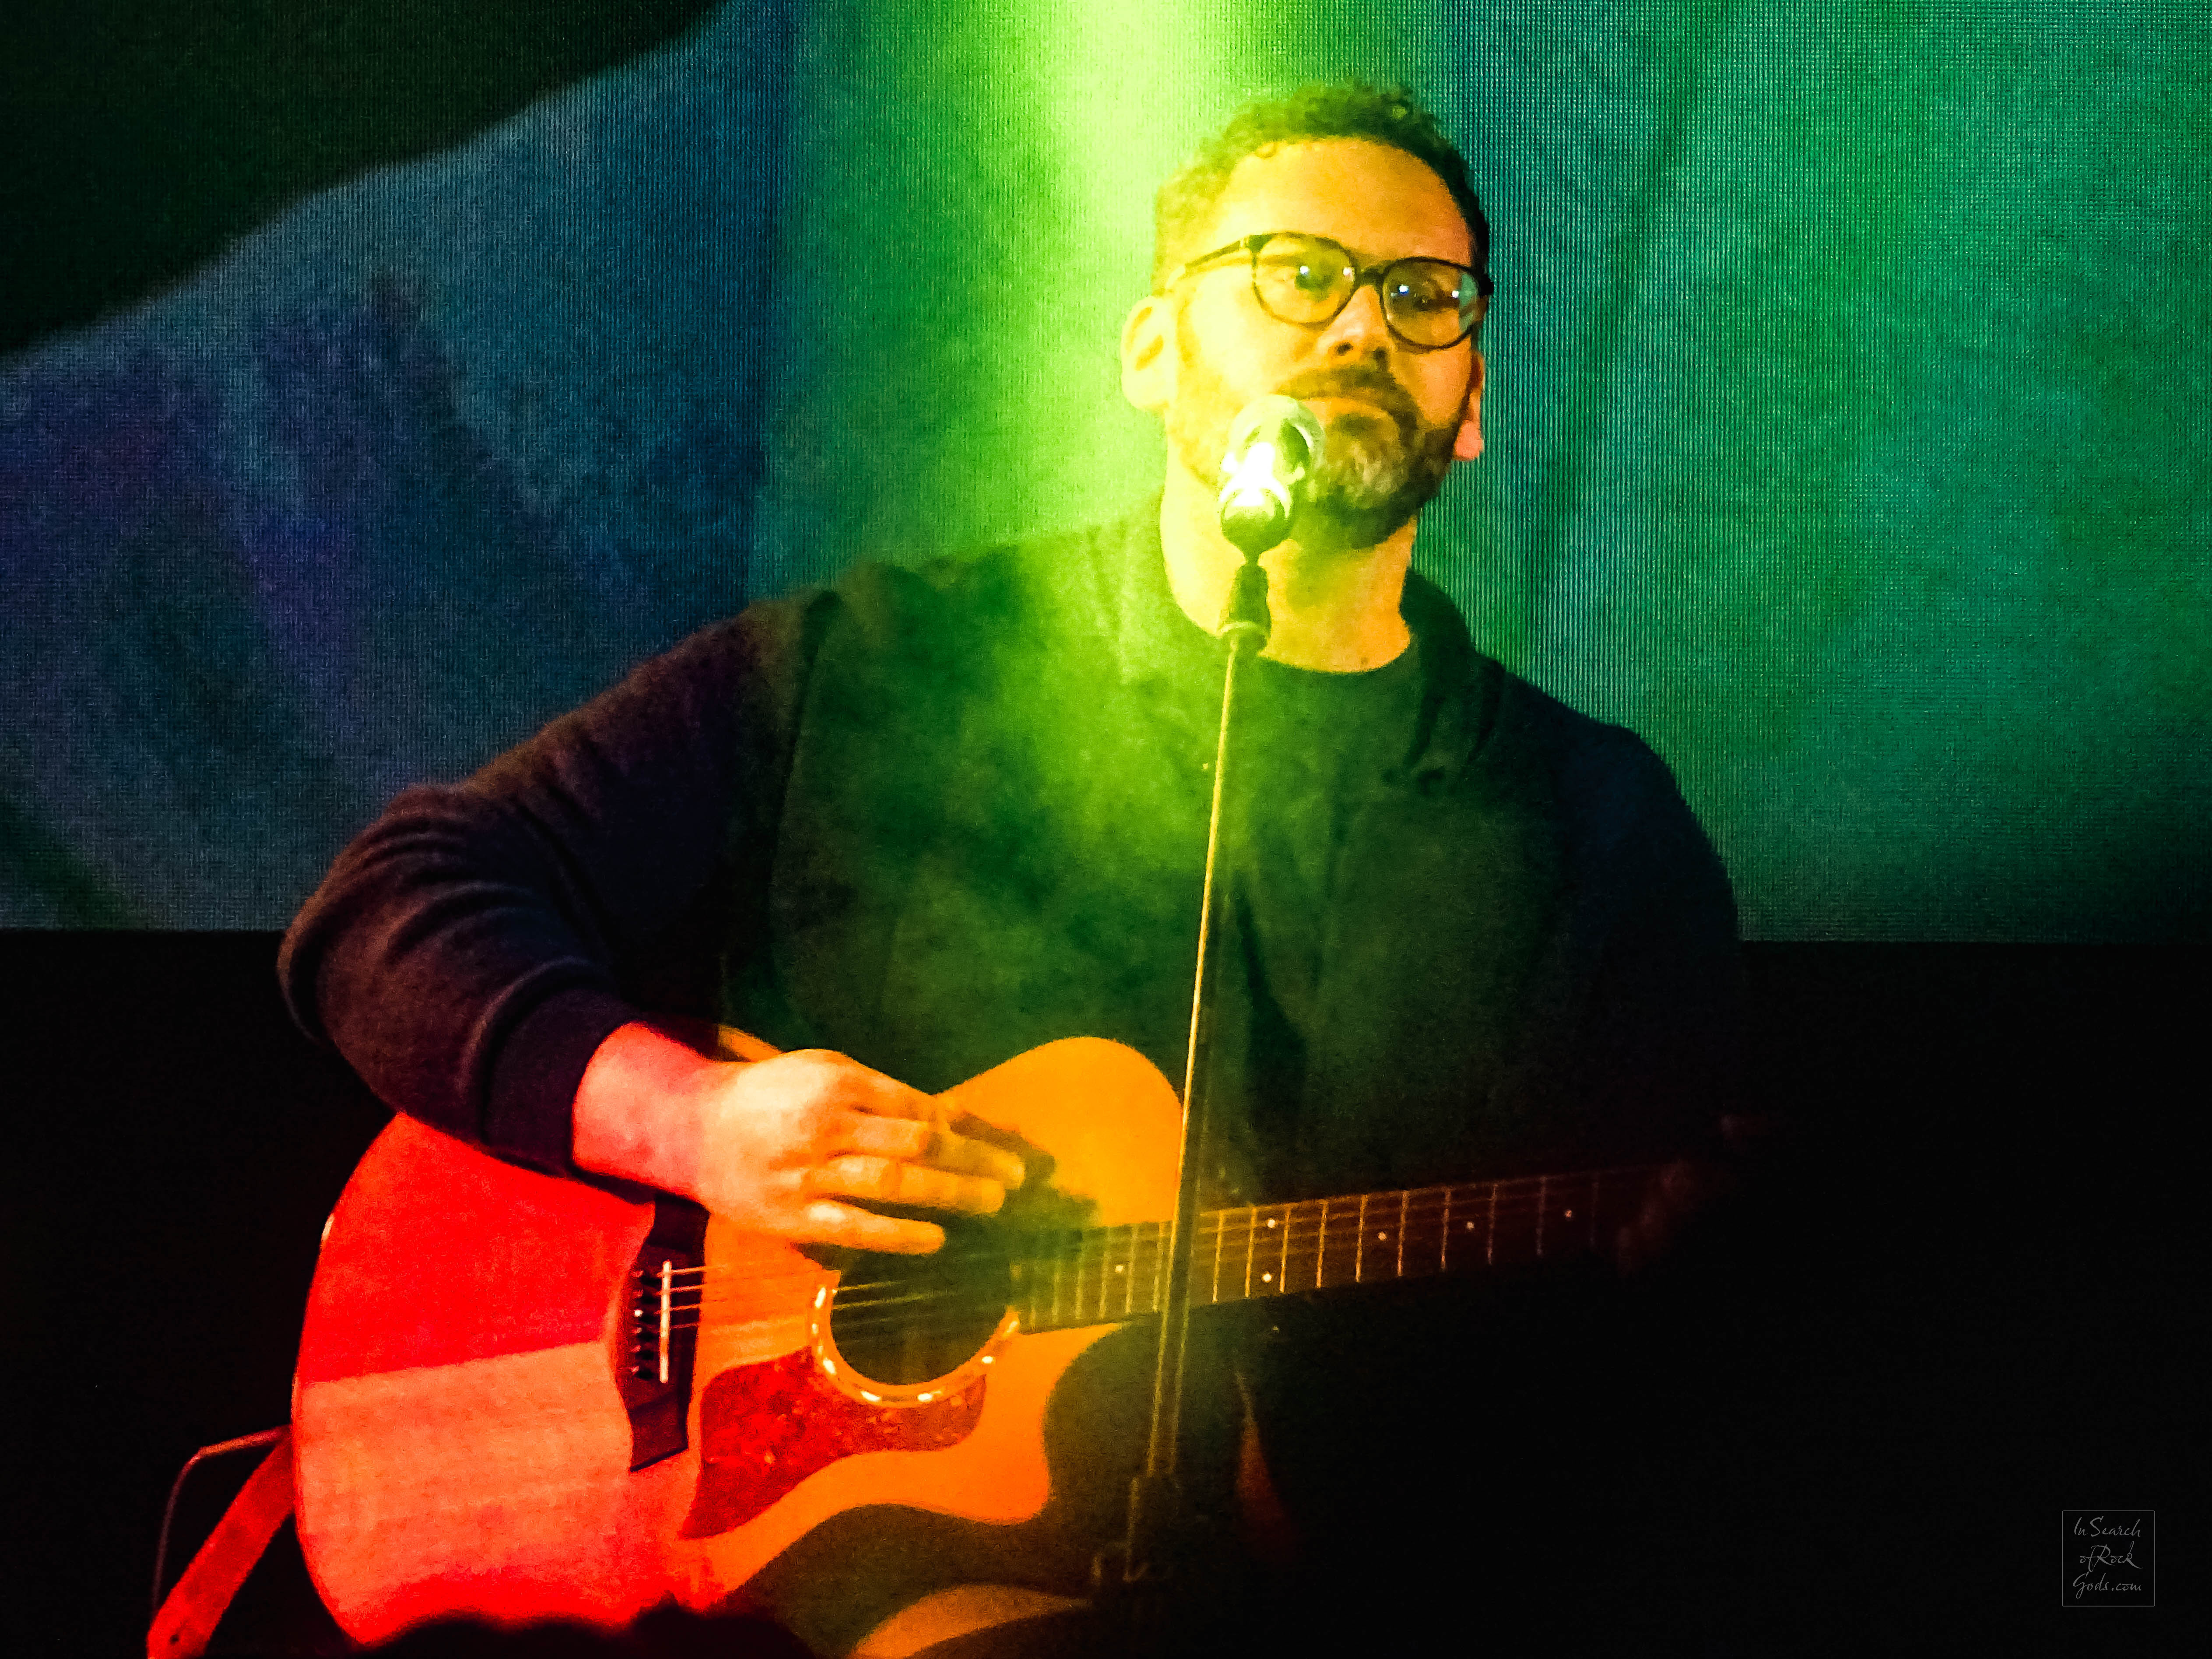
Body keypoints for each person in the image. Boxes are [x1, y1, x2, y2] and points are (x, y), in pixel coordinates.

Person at [282, 82, 1742, 1657]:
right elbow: (385, 909)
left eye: (1423, 296)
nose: (1359, 327)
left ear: (1472, 405)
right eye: (1296, 274)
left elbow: (1626, 1415)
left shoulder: (1596, 830)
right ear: (1151, 352)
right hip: (783, 1595)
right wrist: (694, 1122)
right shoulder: (877, 670)